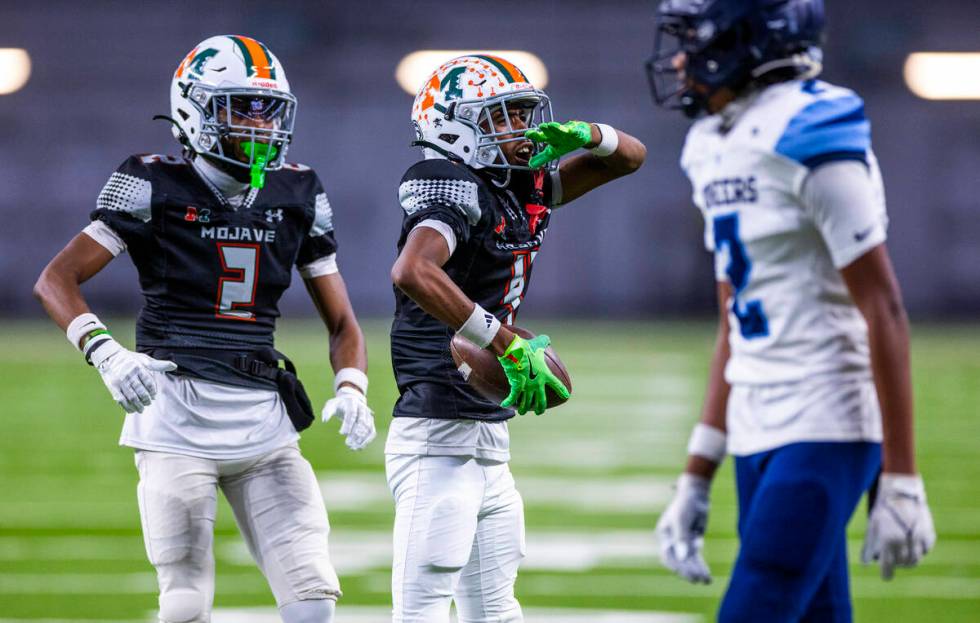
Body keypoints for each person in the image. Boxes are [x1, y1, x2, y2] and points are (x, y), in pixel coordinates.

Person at [33, 35, 374, 623]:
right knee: (186, 603)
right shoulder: (149, 182)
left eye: (268, 109)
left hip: (265, 422)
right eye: (241, 107)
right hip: (173, 414)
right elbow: (56, 280)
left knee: (314, 603)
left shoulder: (299, 190)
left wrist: (352, 385)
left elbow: (342, 319)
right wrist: (106, 353)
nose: (259, 124)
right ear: (192, 110)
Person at [647, 1, 936, 621]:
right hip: (755, 418)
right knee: (818, 613)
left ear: (749, 42)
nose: (678, 59)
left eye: (695, 40)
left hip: (827, 415)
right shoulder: (709, 143)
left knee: (758, 604)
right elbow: (735, 319)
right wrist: (699, 470)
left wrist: (902, 476)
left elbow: (883, 307)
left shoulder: (811, 128)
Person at [386, 54, 646, 622]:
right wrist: (502, 341)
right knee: (423, 611)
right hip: (435, 433)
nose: (521, 131)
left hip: (486, 436)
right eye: (502, 118)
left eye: (523, 115)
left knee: (497, 611)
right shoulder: (447, 180)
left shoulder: (518, 186)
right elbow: (413, 271)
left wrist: (589, 134)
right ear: (454, 125)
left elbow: (629, 157)